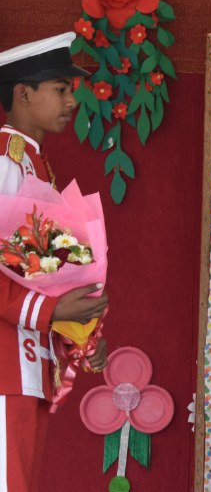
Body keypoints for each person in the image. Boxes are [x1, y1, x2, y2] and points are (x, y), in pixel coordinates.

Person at [0, 32, 109, 492]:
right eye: (61, 89)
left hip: (27, 361)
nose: (72, 101)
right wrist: (52, 310)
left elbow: (42, 273)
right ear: (23, 94)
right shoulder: (6, 161)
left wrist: (80, 335)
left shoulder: (36, 164)